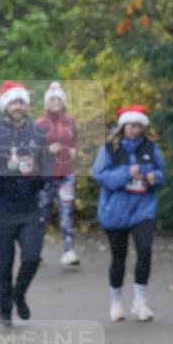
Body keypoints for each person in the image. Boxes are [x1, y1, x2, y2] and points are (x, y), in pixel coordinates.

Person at [0, 81, 51, 326]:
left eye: (21, 102)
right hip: (1, 207)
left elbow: (48, 169)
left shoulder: (37, 134)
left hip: (29, 206)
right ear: (5, 106)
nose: (17, 107)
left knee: (32, 256)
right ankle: (4, 311)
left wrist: (35, 173)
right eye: (13, 102)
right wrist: (2, 170)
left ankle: (19, 294)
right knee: (2, 264)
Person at [92, 104, 165, 322]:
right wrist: (127, 173)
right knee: (119, 257)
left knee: (145, 251)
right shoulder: (108, 148)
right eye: (132, 126)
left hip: (143, 209)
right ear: (123, 126)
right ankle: (116, 301)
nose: (135, 130)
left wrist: (154, 178)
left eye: (139, 126)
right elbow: (99, 175)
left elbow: (161, 173)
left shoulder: (150, 147)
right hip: (115, 211)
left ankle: (140, 301)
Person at [36, 81, 80, 266]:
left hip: (66, 174)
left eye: (59, 99)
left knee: (66, 212)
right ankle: (35, 251)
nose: (56, 102)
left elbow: (76, 143)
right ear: (47, 102)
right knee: (42, 214)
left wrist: (73, 151)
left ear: (63, 102)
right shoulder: (39, 123)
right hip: (45, 176)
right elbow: (32, 151)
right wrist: (47, 151)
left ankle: (69, 250)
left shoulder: (71, 122)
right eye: (52, 99)